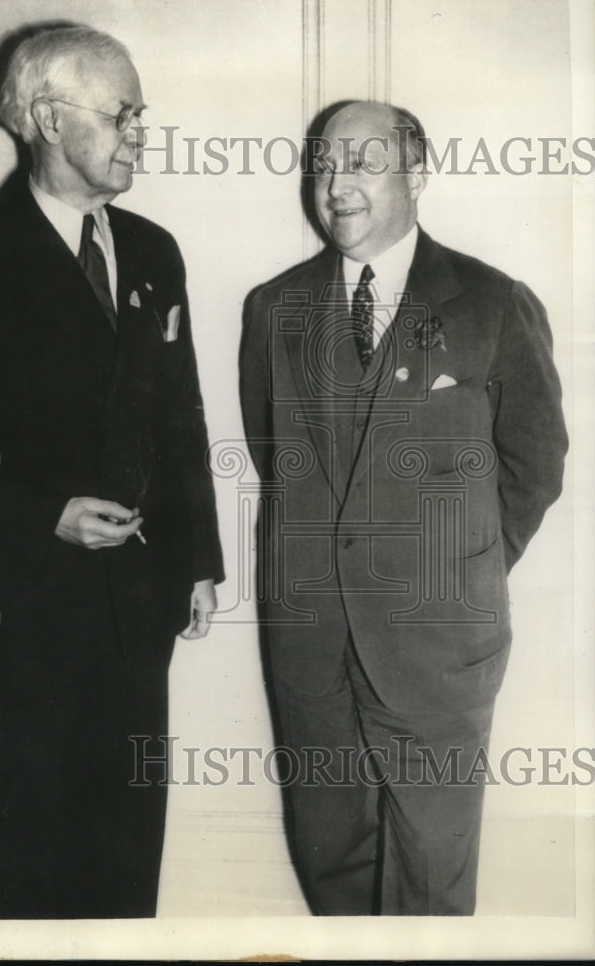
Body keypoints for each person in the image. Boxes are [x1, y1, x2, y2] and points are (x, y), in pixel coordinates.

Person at [0, 24, 223, 919]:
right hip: (13, 617)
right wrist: (45, 511)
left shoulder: (154, 251)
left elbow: (181, 418)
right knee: (19, 869)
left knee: (123, 859)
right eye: (122, 114)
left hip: (135, 610)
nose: (141, 131)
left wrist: (197, 561)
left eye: (141, 113)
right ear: (46, 119)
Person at [239, 100, 567, 915]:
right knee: (331, 862)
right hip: (310, 642)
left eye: (362, 162)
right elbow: (275, 454)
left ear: (417, 174)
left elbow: (534, 464)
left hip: (438, 644)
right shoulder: (272, 307)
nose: (336, 185)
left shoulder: (493, 302)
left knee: (431, 878)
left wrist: (461, 565)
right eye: (324, 165)